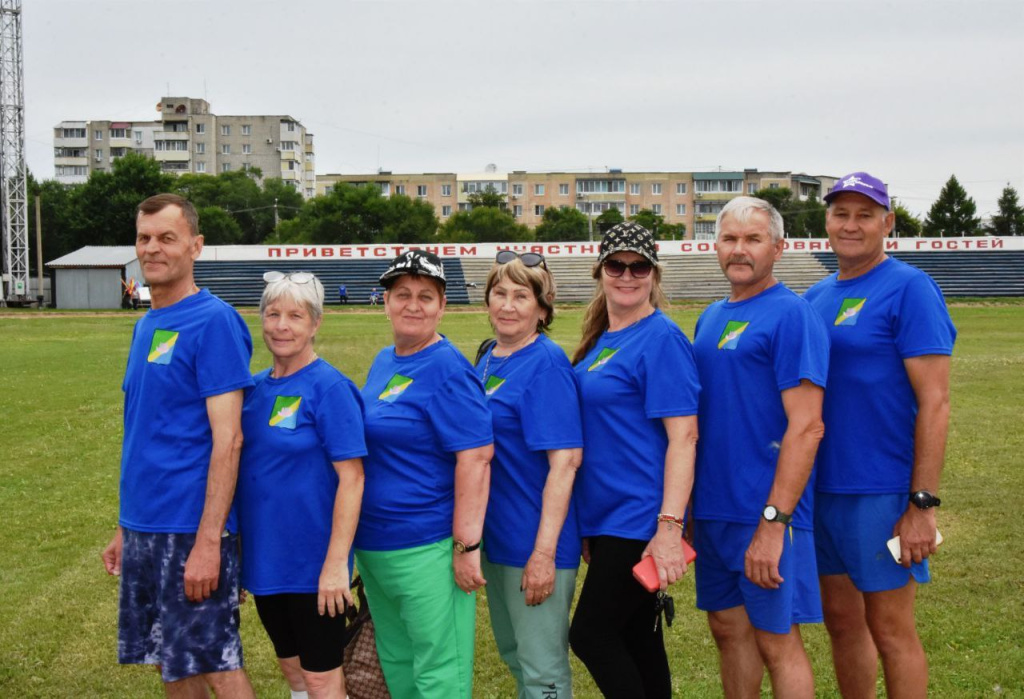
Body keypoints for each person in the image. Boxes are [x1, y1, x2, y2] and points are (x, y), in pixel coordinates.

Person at [804, 172, 956, 699]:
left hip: (881, 492)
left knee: (891, 629)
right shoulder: (816, 296)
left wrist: (922, 504)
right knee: (842, 625)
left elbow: (935, 401)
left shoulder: (910, 288)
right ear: (827, 221)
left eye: (864, 215)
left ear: (887, 223)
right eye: (841, 214)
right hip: (819, 491)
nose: (851, 225)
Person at [101, 194, 257, 697]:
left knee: (214, 659)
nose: (152, 248)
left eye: (167, 238)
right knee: (170, 661)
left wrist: (209, 541)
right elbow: (145, 431)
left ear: (196, 245)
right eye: (144, 238)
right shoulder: (146, 324)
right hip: (147, 525)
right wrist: (127, 524)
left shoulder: (214, 321)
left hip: (189, 529)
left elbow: (229, 439)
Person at [691, 197, 830, 698]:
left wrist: (774, 523)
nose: (739, 250)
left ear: (778, 247)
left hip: (764, 512)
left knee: (778, 641)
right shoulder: (710, 316)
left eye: (752, 239)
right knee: (728, 632)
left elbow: (807, 426)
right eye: (729, 239)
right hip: (713, 511)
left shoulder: (792, 315)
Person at [353, 250, 494, 699]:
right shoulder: (385, 360)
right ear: (386, 300)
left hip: (426, 549)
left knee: (439, 675)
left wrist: (466, 547)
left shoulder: (449, 369)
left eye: (426, 296)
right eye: (403, 294)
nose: (413, 305)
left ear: (442, 306)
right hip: (376, 548)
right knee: (398, 666)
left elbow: (476, 459)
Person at [568, 222, 700, 699]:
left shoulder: (660, 338)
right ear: (600, 271)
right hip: (607, 519)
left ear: (654, 273)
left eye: (638, 265)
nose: (627, 275)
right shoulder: (603, 338)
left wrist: (668, 527)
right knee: (638, 640)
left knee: (591, 635)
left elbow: (684, 437)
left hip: (639, 518)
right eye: (616, 265)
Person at [237, 271, 366, 699]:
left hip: (314, 564)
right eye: (272, 314)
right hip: (265, 560)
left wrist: (335, 565)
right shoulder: (251, 390)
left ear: (316, 322)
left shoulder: (330, 388)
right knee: (291, 669)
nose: (282, 325)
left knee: (321, 677)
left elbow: (353, 478)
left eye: (295, 315)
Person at [476, 250, 583, 699]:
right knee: (517, 656)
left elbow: (566, 462)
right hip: (496, 541)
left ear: (542, 308)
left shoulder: (546, 364)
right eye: (499, 292)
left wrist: (543, 554)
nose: (507, 304)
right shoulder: (488, 358)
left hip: (534, 543)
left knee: (543, 670)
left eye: (521, 296)